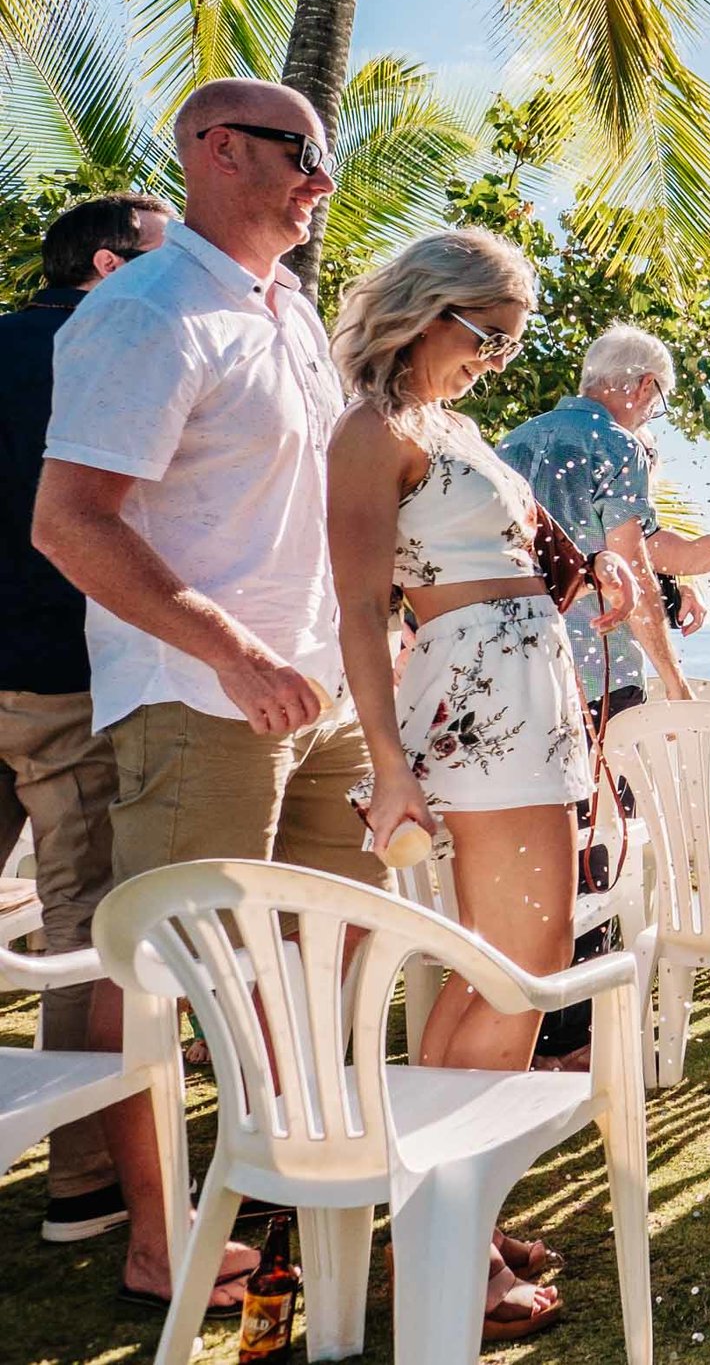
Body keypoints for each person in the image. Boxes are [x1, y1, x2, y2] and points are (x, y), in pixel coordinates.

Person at [34, 78, 375, 1314]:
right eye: (302, 155)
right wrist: (232, 648)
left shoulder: (285, 312)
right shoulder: (145, 311)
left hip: (320, 694)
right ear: (217, 150)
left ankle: (303, 1185)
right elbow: (68, 522)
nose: (321, 181)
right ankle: (155, 1237)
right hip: (196, 693)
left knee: (323, 953)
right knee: (163, 961)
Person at [327, 228, 635, 1342]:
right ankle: (444, 1251)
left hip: (529, 699)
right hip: (481, 714)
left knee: (487, 967)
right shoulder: (374, 431)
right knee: (524, 965)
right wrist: (388, 762)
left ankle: (449, 1215)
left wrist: (590, 573)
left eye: (513, 342)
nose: (499, 358)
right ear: (427, 309)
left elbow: (509, 559)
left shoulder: (452, 427)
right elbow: (364, 609)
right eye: (486, 334)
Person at [0, 192, 168, 1245]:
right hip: (63, 668)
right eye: (159, 257)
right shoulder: (114, 350)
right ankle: (82, 1179)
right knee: (82, 914)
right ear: (109, 267)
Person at [497, 325, 710, 722]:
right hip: (598, 674)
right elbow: (634, 572)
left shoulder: (511, 442)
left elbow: (676, 556)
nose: (648, 417)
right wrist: (675, 682)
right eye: (657, 405)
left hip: (514, 668)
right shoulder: (616, 443)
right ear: (645, 385)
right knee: (616, 786)